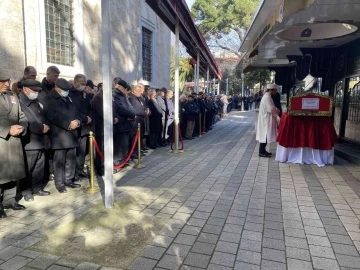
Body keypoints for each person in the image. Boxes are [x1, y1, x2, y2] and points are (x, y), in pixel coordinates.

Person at [43, 79, 83, 193]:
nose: (66, 92)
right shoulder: (49, 99)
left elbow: (76, 113)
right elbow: (51, 115)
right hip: (59, 135)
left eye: (67, 90)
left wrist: (77, 121)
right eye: (64, 90)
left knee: (71, 159)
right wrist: (67, 124)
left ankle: (69, 179)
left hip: (72, 134)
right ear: (56, 87)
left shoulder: (68, 98)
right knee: (59, 161)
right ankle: (59, 183)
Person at [0, 71, 28, 218]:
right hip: (1, 142)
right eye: (2, 81)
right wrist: (6, 130)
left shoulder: (12, 96)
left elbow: (22, 116)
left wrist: (22, 127)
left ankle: (9, 200)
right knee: (1, 173)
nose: (6, 83)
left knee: (13, 173)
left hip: (14, 141)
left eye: (7, 80)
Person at [19, 79, 51, 202]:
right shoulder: (19, 102)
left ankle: (37, 188)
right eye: (34, 90)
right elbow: (23, 121)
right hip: (29, 141)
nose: (36, 93)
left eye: (38, 90)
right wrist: (41, 128)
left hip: (41, 140)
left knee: (39, 166)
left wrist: (46, 125)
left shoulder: (36, 101)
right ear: (26, 89)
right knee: (28, 168)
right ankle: (26, 191)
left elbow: (44, 115)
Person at [69, 74, 92, 179]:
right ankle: (72, 173)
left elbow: (89, 107)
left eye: (85, 84)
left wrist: (89, 117)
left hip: (84, 128)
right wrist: (85, 118)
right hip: (75, 126)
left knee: (82, 151)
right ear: (75, 82)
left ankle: (80, 169)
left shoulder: (85, 94)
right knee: (74, 152)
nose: (84, 86)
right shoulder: (70, 94)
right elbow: (74, 110)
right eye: (82, 84)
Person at [112, 80, 135, 166]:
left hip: (126, 124)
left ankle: (123, 160)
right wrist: (132, 114)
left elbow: (130, 107)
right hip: (120, 124)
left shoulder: (124, 96)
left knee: (124, 145)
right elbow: (120, 109)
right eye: (125, 89)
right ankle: (118, 162)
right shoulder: (115, 95)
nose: (126, 91)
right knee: (119, 145)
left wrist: (132, 114)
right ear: (121, 87)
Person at [256, 84, 280, 158]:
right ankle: (261, 151)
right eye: (275, 90)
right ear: (271, 90)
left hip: (267, 118)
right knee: (265, 135)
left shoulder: (268, 97)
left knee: (265, 135)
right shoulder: (267, 98)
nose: (276, 92)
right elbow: (270, 109)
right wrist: (277, 110)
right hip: (266, 119)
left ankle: (263, 150)